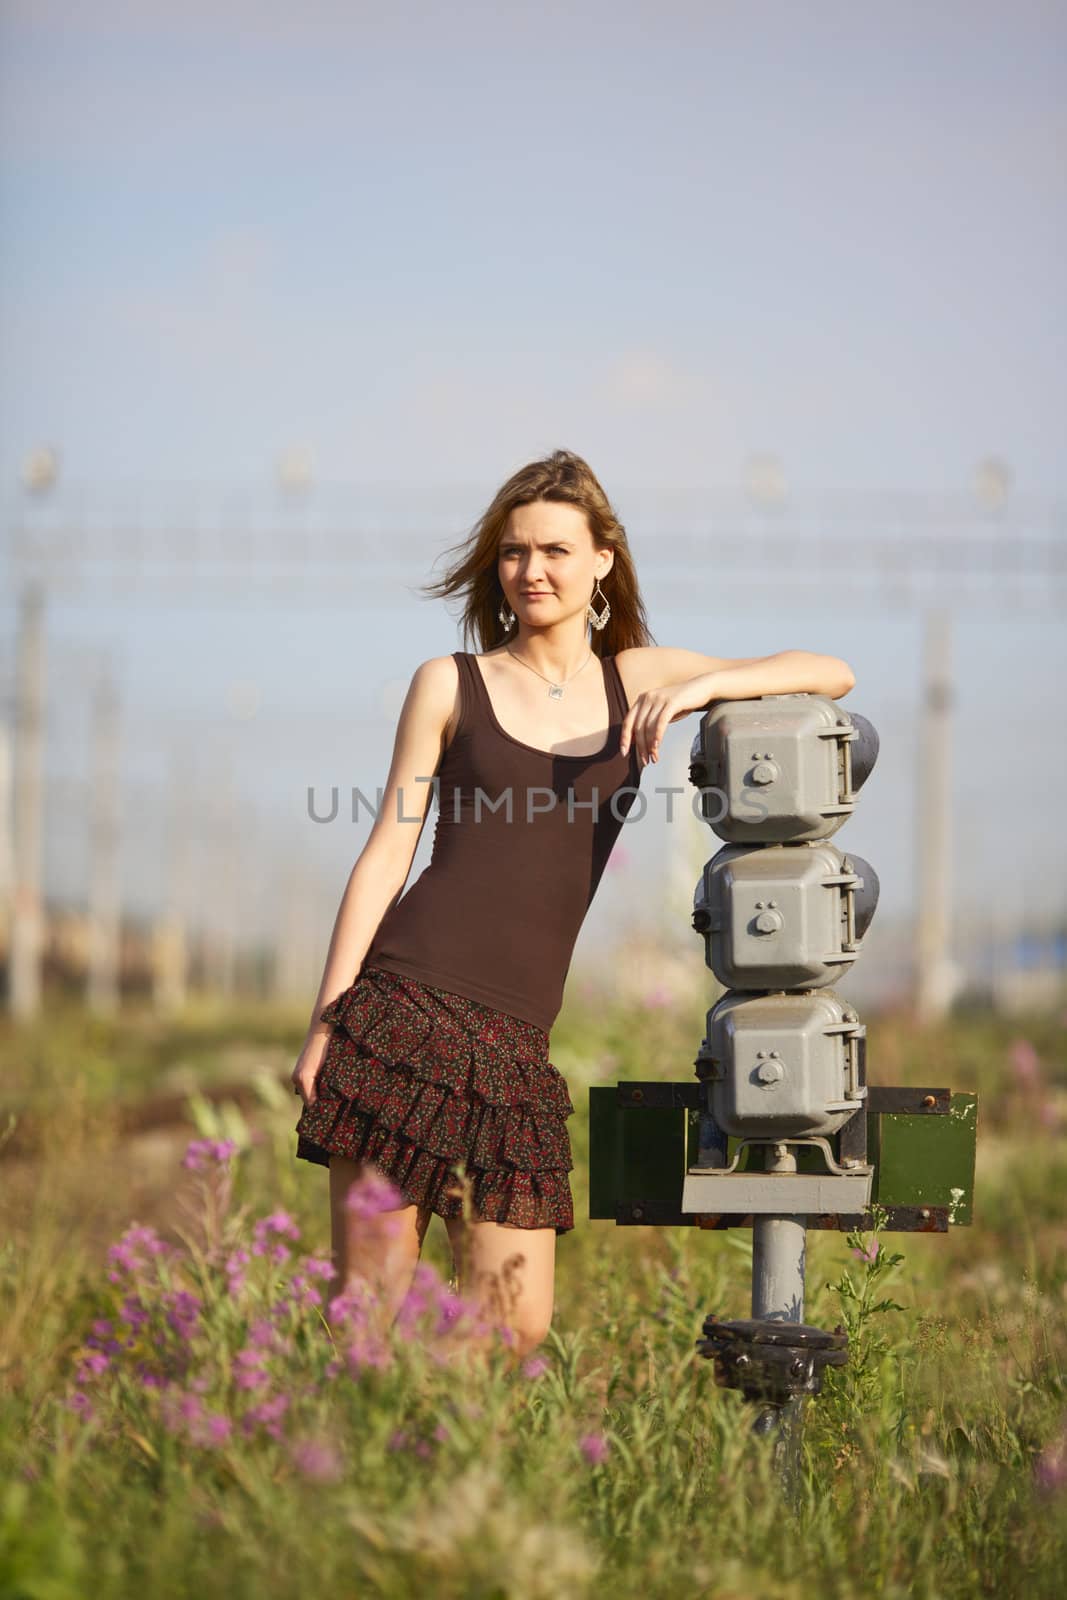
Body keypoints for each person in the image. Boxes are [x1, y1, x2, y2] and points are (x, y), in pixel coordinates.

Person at [290, 447, 855, 1360]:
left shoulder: (635, 678)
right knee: (368, 1310)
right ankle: (344, 1483)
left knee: (512, 1328)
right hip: (402, 1016)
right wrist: (326, 1023)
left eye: (554, 549)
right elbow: (386, 852)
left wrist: (703, 686)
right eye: (513, 553)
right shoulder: (450, 682)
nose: (531, 570)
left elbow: (829, 671)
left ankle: (445, 1482)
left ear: (601, 559)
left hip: (515, 1045)